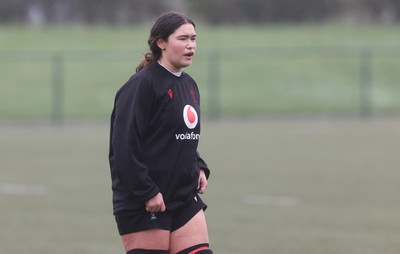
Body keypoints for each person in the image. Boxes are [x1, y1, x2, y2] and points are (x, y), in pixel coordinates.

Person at [108, 12, 212, 254]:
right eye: (183, 38)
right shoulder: (141, 86)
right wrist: (148, 192)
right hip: (145, 202)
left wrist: (198, 165)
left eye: (193, 39)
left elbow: (173, 134)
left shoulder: (189, 85)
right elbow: (124, 148)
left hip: (183, 196)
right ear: (161, 43)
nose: (190, 45)